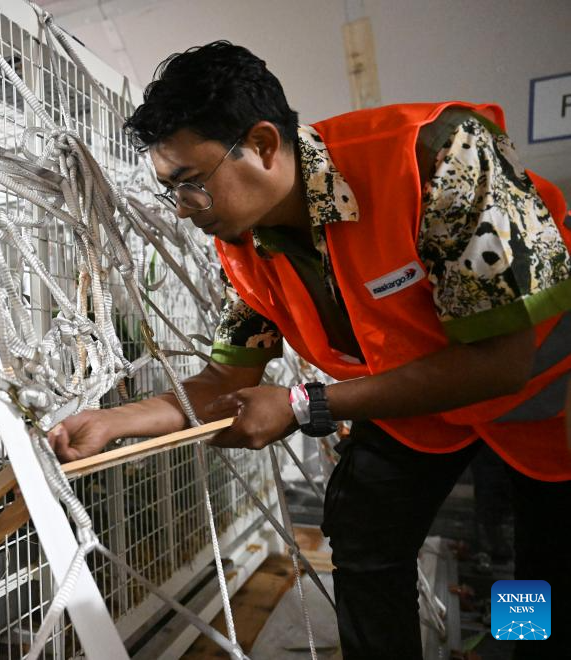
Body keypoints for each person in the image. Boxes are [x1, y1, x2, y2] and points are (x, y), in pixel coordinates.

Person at [47, 41, 571, 660]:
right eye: (173, 192)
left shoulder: (437, 155)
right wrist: (113, 423)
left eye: (192, 185)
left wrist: (302, 405)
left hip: (543, 399)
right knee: (365, 533)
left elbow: (501, 363)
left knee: (530, 559)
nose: (185, 211)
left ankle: (520, 643)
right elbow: (222, 381)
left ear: (265, 146)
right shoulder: (248, 246)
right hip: (418, 400)